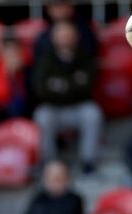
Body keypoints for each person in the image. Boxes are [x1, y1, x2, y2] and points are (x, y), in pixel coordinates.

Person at [32, 20, 102, 175]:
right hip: (54, 108)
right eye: (61, 35)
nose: (65, 39)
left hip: (78, 107)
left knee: (92, 113)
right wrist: (72, 85)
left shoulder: (84, 56)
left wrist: (60, 87)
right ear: (53, 37)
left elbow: (88, 86)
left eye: (68, 35)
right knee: (42, 116)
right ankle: (50, 163)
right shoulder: (45, 59)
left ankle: (88, 161)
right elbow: (41, 90)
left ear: (76, 37)